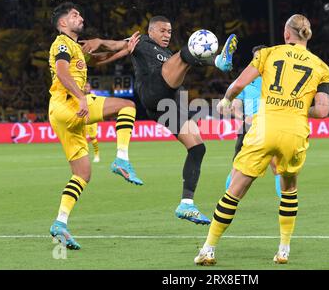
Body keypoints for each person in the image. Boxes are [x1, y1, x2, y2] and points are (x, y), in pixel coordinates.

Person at [194, 14, 329, 265]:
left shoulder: (268, 54)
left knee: (236, 188)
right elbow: (322, 111)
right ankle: (283, 250)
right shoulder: (321, 67)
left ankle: (208, 249)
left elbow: (238, 85)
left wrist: (226, 100)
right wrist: (299, 108)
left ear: (287, 33)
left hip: (265, 126)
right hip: (295, 131)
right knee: (289, 189)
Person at [80, 16, 238, 225]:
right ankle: (218, 60)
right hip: (152, 89)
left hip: (169, 106)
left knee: (198, 148)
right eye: (162, 31)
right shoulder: (143, 42)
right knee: (186, 53)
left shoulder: (168, 55)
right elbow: (115, 45)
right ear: (151, 31)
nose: (166, 35)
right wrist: (99, 41)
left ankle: (186, 204)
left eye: (169, 32)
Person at [48, 2, 142, 250]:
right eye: (74, 15)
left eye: (80, 13)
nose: (81, 17)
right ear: (62, 23)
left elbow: (100, 57)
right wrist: (81, 97)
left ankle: (60, 223)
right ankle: (121, 159)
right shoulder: (61, 44)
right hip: (68, 105)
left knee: (82, 174)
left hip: (62, 114)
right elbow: (61, 72)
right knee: (127, 106)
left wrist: (126, 49)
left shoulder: (76, 48)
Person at [224, 45, 281, 198]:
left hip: (272, 124)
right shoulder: (245, 80)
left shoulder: (279, 78)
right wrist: (243, 118)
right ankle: (227, 200)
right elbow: (234, 106)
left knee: (277, 166)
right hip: (250, 126)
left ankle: (287, 204)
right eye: (257, 57)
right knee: (237, 167)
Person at [84, 82, 100, 163]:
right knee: (81, 138)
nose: (86, 88)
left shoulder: (93, 96)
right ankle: (83, 156)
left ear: (90, 88)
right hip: (82, 120)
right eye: (85, 86)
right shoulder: (80, 96)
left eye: (87, 86)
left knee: (92, 137)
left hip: (92, 119)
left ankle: (97, 154)